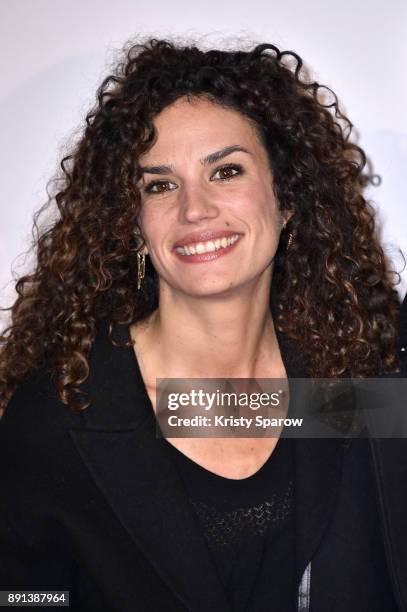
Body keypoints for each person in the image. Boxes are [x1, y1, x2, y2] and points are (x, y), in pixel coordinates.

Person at [0, 37, 406, 612]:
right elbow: (22, 595)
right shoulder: (61, 416)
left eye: (227, 171)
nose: (195, 210)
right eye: (160, 185)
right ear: (133, 223)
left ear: (286, 200)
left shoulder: (362, 382)